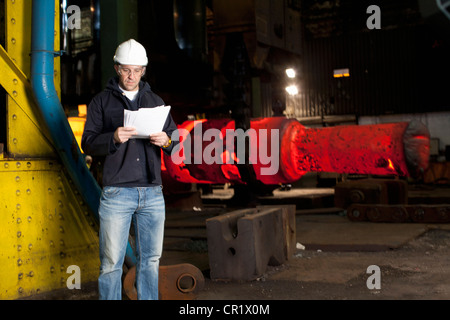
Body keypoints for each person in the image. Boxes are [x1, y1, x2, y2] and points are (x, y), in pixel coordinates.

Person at [81, 39, 177, 300]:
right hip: (116, 193)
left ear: (144, 70)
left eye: (137, 70)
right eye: (126, 69)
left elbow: (177, 145)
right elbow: (87, 142)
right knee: (111, 263)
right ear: (116, 68)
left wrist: (166, 141)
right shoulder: (101, 103)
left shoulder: (156, 102)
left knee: (150, 260)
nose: (131, 75)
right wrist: (112, 138)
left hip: (152, 193)